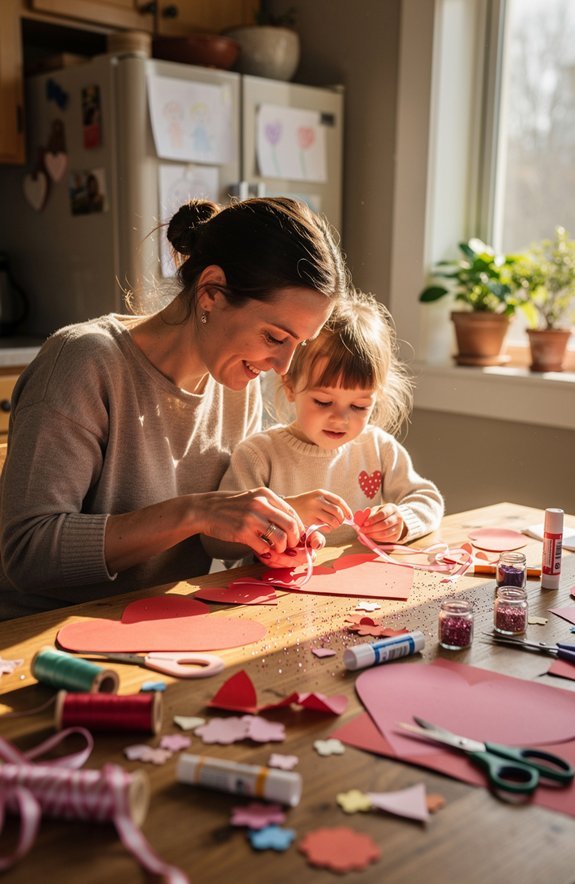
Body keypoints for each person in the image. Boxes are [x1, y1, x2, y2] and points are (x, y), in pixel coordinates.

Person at [0, 197, 349, 619]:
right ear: (211, 292)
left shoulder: (237, 384)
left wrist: (266, 536)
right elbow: (28, 552)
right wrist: (195, 512)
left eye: (299, 345)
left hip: (159, 622)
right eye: (275, 337)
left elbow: (212, 534)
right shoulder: (83, 363)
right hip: (44, 633)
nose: (283, 366)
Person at [217, 290, 444, 548]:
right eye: (323, 402)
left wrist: (401, 521)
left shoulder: (379, 449)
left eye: (359, 406)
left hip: (359, 573)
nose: (340, 419)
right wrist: (286, 512)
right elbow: (217, 543)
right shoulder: (259, 455)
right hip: (285, 576)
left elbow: (428, 500)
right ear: (290, 386)